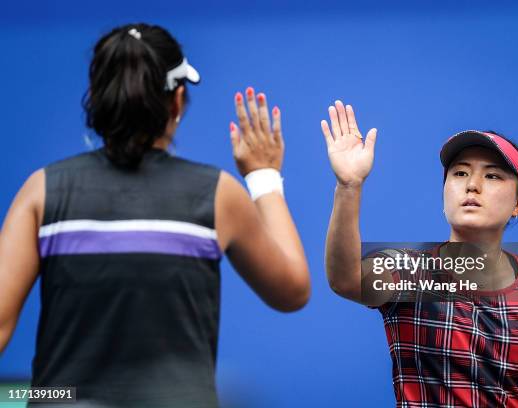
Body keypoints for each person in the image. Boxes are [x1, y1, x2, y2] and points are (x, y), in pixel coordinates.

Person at [0, 23, 310, 407]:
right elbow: (292, 290)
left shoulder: (42, 189)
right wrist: (263, 175)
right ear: (177, 102)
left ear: (99, 97)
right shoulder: (216, 194)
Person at [321, 100, 518, 407]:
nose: (472, 185)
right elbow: (345, 279)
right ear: (444, 194)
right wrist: (348, 186)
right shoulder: (406, 271)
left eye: (492, 176)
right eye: (460, 173)